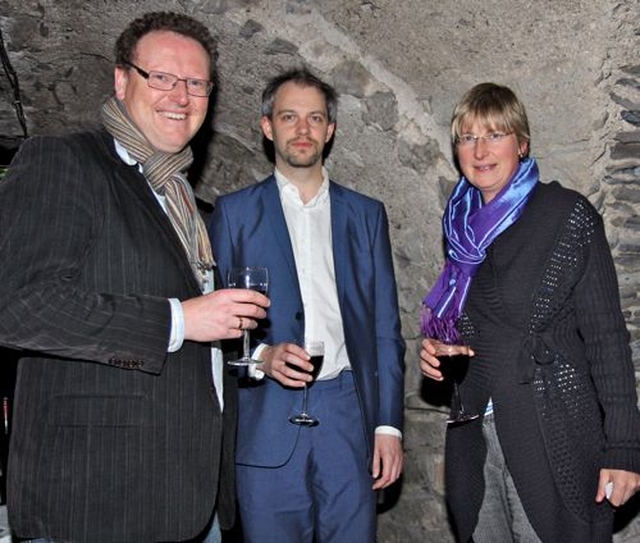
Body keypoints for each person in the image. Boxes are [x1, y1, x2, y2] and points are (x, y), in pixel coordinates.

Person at [0, 11, 269, 543]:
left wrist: (250, 354)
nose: (181, 95)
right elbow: (18, 306)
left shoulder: (181, 197)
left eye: (196, 83)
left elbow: (198, 344)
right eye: (162, 77)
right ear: (122, 80)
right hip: (100, 497)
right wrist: (178, 318)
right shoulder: (65, 162)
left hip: (191, 495)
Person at [419, 82, 640, 543]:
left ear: (521, 144)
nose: (480, 150)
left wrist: (624, 448)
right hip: (475, 434)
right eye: (467, 137)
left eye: (495, 134)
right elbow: (471, 330)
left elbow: (606, 339)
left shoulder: (566, 215)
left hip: (550, 427)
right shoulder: (460, 229)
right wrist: (440, 355)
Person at [208, 67, 405, 542]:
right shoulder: (233, 214)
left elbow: (384, 328)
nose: (302, 129)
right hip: (265, 420)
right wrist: (261, 356)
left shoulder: (366, 214)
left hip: (346, 415)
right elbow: (212, 321)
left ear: (330, 130)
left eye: (314, 118)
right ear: (266, 126)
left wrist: (388, 426)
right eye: (289, 117)